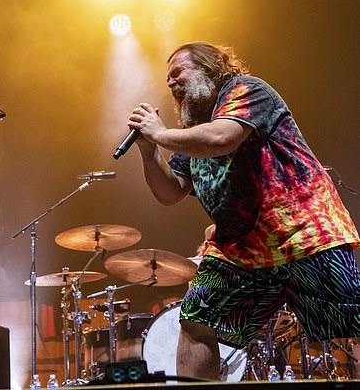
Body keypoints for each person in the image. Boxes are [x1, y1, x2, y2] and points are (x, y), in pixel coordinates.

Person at [125, 41, 360, 380]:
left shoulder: (247, 91)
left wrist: (160, 133)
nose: (171, 84)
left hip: (303, 234)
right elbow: (170, 192)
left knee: (350, 325)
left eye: (178, 72)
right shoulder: (191, 135)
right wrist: (149, 151)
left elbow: (223, 137)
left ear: (211, 67)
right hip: (244, 249)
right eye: (167, 79)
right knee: (195, 318)